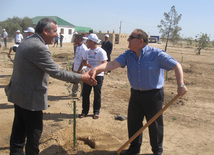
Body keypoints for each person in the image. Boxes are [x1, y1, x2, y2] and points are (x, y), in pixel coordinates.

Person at [5, 18, 97, 155]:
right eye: (54, 31)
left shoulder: (27, 41)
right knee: (33, 136)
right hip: (30, 100)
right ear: (45, 31)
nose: (56, 35)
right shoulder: (38, 47)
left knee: (18, 134)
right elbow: (57, 72)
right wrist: (82, 78)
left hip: (18, 95)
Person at [90, 29, 188, 155]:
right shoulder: (128, 54)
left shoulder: (156, 54)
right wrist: (96, 69)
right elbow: (112, 64)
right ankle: (134, 149)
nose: (128, 40)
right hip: (136, 94)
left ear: (140, 41)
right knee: (133, 122)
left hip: (154, 95)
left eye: (131, 37)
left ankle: (157, 151)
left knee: (155, 125)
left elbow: (177, 66)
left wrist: (181, 85)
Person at [78, 33, 108, 119]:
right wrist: (85, 64)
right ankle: (84, 111)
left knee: (97, 94)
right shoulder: (87, 51)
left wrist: (96, 72)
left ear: (92, 42)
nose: (86, 42)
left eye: (87, 41)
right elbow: (83, 61)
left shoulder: (101, 52)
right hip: (88, 75)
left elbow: (105, 64)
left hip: (98, 76)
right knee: (85, 93)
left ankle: (96, 112)